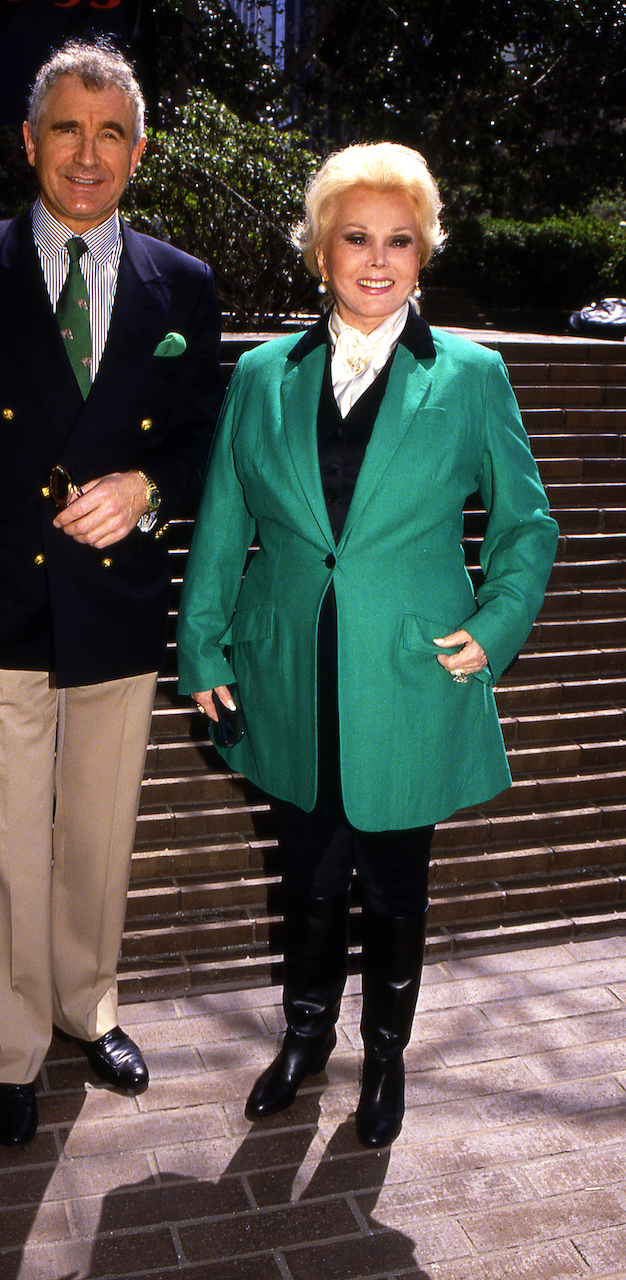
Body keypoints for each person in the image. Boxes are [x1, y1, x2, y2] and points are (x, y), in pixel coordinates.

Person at [176, 143, 558, 1149]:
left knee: (392, 884)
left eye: (398, 239)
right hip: (287, 673)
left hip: (408, 676)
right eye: (355, 238)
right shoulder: (261, 373)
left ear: (423, 251)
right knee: (302, 876)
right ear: (319, 251)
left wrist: (493, 625)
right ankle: (304, 1039)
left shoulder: (471, 374)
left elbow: (526, 524)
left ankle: (382, 1058)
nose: (376, 260)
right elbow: (221, 520)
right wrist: (203, 647)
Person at [0, 38, 223, 1146]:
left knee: (97, 832)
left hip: (116, 601)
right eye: (67, 129)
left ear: (140, 149)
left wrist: (146, 489)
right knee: (1, 838)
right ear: (29, 141)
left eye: (111, 131)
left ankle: (90, 1007)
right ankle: (15, 1045)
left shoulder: (185, 284)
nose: (88, 154)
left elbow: (198, 440)